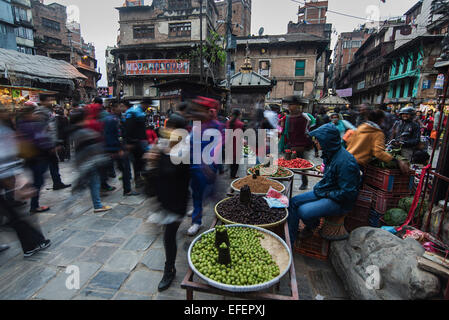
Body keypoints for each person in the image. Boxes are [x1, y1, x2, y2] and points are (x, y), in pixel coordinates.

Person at [288, 123, 360, 246]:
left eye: (318, 139)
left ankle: (308, 228)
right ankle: (290, 239)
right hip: (326, 191)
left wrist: (327, 193)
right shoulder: (330, 154)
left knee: (303, 211)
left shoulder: (346, 162)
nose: (315, 142)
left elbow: (348, 193)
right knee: (293, 202)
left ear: (327, 141)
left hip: (339, 201)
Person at [145, 112, 191, 292]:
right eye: (168, 127)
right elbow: (152, 168)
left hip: (177, 199)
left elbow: (174, 171)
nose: (169, 131)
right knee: (167, 234)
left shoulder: (184, 150)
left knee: (169, 235)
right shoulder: (163, 143)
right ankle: (169, 265)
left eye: (174, 129)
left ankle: (169, 269)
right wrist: (152, 157)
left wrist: (160, 156)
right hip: (162, 196)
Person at [0, 108, 51, 257]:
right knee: (17, 215)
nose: (8, 113)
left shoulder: (8, 129)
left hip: (7, 177)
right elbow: (5, 157)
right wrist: (12, 182)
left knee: (13, 213)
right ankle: (32, 244)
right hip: (6, 178)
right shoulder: (4, 130)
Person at [186, 97, 220, 236]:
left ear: (209, 112)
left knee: (206, 193)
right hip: (194, 165)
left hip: (207, 167)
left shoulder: (216, 126)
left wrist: (208, 164)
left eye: (199, 110)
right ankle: (197, 209)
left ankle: (197, 221)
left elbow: (218, 147)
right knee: (196, 193)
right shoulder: (196, 125)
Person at [68, 108, 112, 213]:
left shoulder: (75, 131)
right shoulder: (83, 131)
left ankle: (96, 204)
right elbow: (91, 148)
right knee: (92, 183)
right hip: (89, 162)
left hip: (84, 162)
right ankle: (96, 205)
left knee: (90, 183)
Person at [16, 105, 53, 214]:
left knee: (35, 179)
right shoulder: (35, 125)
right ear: (29, 114)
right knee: (38, 181)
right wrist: (50, 147)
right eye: (34, 113)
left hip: (28, 157)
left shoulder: (21, 125)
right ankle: (34, 206)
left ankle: (32, 202)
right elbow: (41, 140)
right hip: (39, 156)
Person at [34, 94, 71, 191]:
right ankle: (35, 187)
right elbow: (43, 129)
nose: (50, 102)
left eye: (51, 100)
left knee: (53, 163)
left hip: (50, 143)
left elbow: (52, 128)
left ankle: (57, 182)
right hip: (45, 144)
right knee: (44, 166)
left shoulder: (47, 111)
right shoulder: (41, 112)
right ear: (42, 101)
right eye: (48, 100)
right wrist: (49, 143)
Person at [103, 103, 140, 197]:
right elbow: (117, 135)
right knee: (125, 168)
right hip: (117, 148)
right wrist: (120, 148)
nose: (122, 108)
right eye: (120, 106)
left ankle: (104, 185)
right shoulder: (113, 119)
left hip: (113, 148)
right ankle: (127, 190)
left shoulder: (115, 118)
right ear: (114, 108)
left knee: (121, 168)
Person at [281, 96, 312, 190]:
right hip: (291, 144)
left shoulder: (304, 117)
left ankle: (304, 182)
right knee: (287, 164)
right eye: (289, 105)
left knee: (302, 165)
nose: (290, 107)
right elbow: (286, 132)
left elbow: (306, 131)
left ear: (298, 106)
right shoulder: (288, 118)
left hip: (301, 145)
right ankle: (285, 179)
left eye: (292, 105)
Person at [124, 101, 148, 188]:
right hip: (136, 143)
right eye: (147, 105)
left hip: (138, 141)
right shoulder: (134, 115)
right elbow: (129, 130)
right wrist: (130, 142)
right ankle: (138, 180)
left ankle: (140, 179)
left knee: (139, 162)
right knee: (137, 162)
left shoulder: (137, 113)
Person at [226, 109, 244, 179]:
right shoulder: (240, 124)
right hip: (236, 145)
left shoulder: (228, 122)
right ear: (239, 115)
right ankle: (233, 175)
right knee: (236, 162)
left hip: (229, 144)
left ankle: (231, 174)